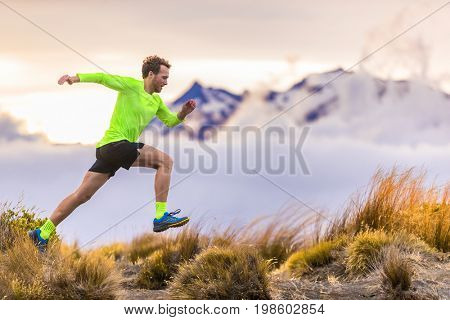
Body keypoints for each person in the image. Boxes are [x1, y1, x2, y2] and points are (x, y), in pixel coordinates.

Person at [28, 55, 196, 252]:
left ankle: (42, 233)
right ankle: (160, 216)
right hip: (116, 145)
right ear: (151, 74)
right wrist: (76, 78)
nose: (166, 82)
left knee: (81, 196)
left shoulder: (156, 101)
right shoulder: (130, 86)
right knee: (165, 162)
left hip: (109, 151)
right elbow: (102, 77)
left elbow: (170, 121)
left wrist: (183, 112)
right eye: (164, 77)